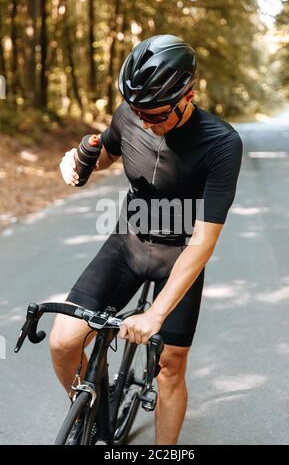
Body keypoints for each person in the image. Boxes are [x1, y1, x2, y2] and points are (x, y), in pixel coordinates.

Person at [49, 34, 243, 445]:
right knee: (63, 342)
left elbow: (204, 241)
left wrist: (155, 315)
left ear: (187, 95)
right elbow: (107, 152)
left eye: (155, 115)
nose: (144, 122)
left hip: (181, 253)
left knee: (170, 366)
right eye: (137, 112)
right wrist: (80, 159)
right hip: (128, 242)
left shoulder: (221, 143)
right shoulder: (131, 115)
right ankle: (96, 416)